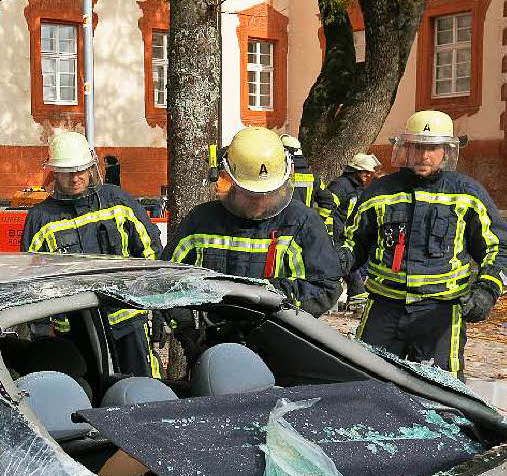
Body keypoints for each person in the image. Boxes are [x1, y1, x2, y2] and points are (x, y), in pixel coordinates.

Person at [343, 110, 507, 379]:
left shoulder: (467, 194)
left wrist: (486, 291)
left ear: (447, 151)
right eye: (418, 147)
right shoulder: (380, 191)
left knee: (441, 393)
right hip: (384, 308)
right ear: (406, 148)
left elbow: (500, 248)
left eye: (432, 148)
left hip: (441, 312)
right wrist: (325, 272)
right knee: (364, 382)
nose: (424, 156)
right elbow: (351, 245)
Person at [22, 131, 162, 376]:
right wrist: (42, 332)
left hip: (129, 323)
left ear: (90, 168)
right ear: (55, 173)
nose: (75, 178)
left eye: (80, 170)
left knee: (143, 388)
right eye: (67, 172)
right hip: (76, 333)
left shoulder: (118, 202)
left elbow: (152, 254)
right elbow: (34, 281)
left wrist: (160, 308)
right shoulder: (41, 218)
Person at [164, 127, 341, 318]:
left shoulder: (302, 224)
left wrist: (269, 296)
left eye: (268, 193)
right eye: (250, 194)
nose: (260, 201)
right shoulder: (201, 222)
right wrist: (188, 327)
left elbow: (326, 288)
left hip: (276, 342)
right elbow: (166, 280)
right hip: (211, 340)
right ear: (227, 181)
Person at [324, 152, 381, 302]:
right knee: (345, 261)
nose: (368, 175)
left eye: (370, 172)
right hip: (336, 233)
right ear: (354, 170)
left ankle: (357, 294)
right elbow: (327, 208)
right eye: (365, 172)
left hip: (346, 232)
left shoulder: (357, 188)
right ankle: (356, 294)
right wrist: (333, 231)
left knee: (350, 260)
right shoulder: (341, 185)